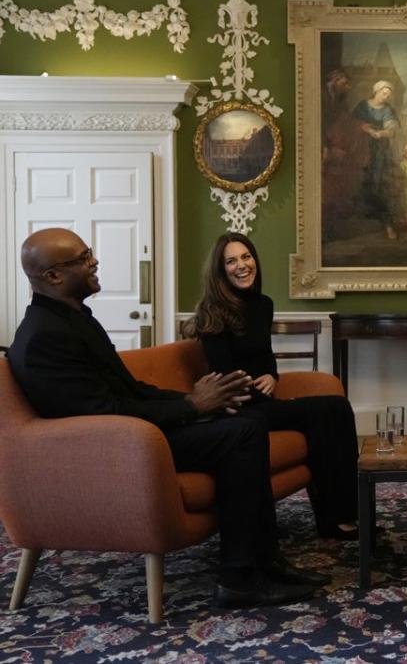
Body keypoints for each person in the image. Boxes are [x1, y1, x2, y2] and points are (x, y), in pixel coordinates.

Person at [6, 228, 320, 609]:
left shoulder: (73, 319)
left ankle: (265, 562)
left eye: (89, 253)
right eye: (83, 258)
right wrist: (192, 408)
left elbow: (130, 390)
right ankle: (239, 576)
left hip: (127, 434)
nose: (94, 261)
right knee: (242, 432)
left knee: (247, 424)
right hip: (114, 448)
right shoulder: (44, 336)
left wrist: (195, 398)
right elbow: (105, 412)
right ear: (53, 276)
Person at [184, 232, 360, 540]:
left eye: (246, 257)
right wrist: (255, 385)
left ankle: (340, 514)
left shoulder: (262, 305)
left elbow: (265, 356)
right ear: (219, 270)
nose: (242, 265)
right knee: (328, 410)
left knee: (334, 407)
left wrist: (272, 376)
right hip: (236, 411)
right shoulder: (213, 313)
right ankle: (337, 519)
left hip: (261, 403)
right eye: (231, 261)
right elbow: (225, 377)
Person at [353, 79, 400, 239]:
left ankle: (385, 222)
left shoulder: (387, 110)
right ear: (376, 91)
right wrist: (366, 129)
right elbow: (352, 123)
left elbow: (392, 129)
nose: (386, 96)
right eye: (384, 93)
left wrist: (381, 133)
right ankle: (363, 218)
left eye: (389, 94)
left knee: (378, 182)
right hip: (361, 148)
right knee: (360, 180)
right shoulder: (363, 105)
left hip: (379, 152)